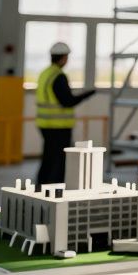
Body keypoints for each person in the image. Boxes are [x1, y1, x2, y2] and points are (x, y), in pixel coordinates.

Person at [35, 42, 96, 185]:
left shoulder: (45, 73)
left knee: (48, 157)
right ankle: (55, 188)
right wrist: (86, 95)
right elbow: (67, 101)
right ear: (63, 58)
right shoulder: (58, 76)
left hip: (45, 124)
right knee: (59, 160)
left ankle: (42, 185)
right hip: (59, 126)